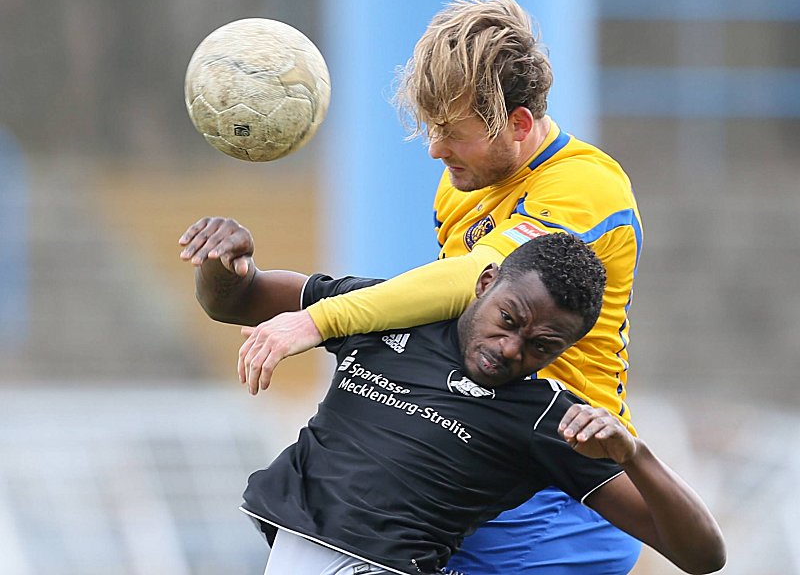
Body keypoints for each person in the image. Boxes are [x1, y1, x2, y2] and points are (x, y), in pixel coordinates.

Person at [179, 0, 644, 574]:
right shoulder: (462, 186)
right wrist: (229, 276)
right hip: (463, 470)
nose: (434, 149)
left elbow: (466, 278)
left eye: (453, 132)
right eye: (430, 128)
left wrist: (318, 321)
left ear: (519, 124)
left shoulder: (585, 187)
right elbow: (450, 311)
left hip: (554, 493)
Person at [187, 232, 726, 575]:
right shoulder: (386, 312)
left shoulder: (544, 416)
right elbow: (236, 299)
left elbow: (704, 557)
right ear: (485, 283)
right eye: (509, 321)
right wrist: (221, 263)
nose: (511, 349)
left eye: (542, 346)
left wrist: (635, 456)